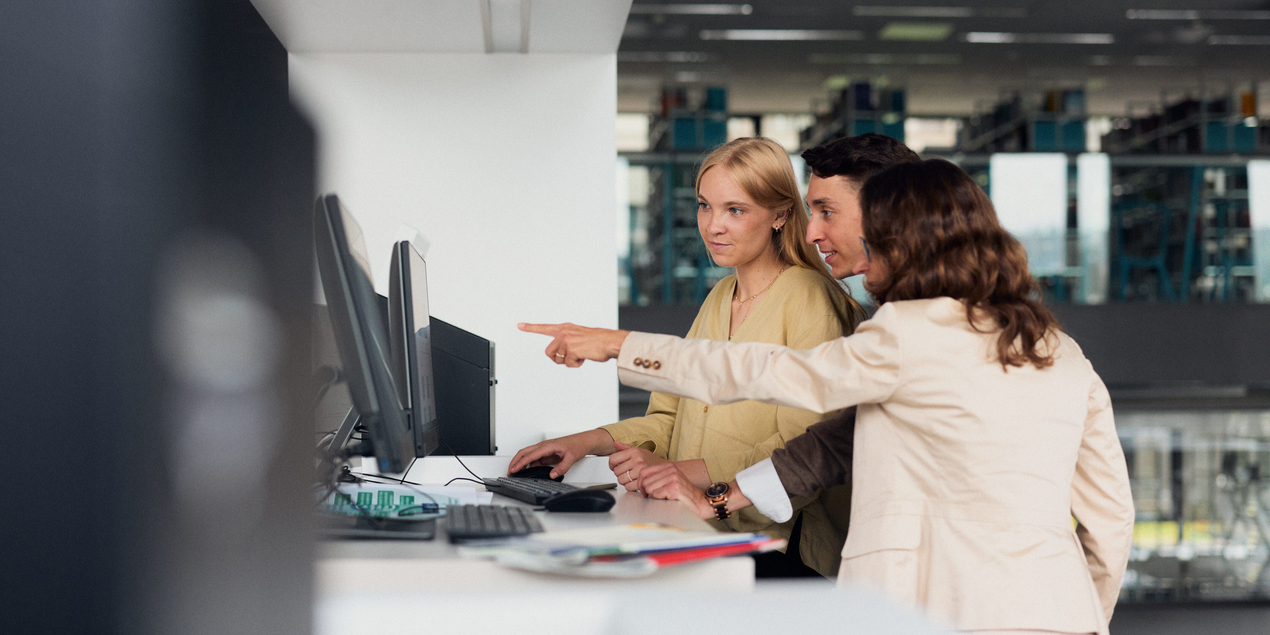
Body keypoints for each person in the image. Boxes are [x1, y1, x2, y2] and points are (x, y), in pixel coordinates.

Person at [519, 159, 1136, 635]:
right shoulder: (1060, 350)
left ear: (908, 242)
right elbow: (1112, 518)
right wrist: (1080, 612)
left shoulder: (907, 332)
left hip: (936, 614)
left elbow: (765, 372)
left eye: (876, 237)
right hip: (1062, 615)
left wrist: (619, 344)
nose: (862, 255)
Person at [509, 136, 869, 578]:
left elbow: (803, 449)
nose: (713, 226)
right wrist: (584, 443)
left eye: (735, 210)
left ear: (779, 215)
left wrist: (676, 472)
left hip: (780, 546)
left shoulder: (807, 296)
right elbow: (670, 418)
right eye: (704, 206)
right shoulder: (721, 296)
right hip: (702, 528)